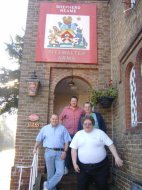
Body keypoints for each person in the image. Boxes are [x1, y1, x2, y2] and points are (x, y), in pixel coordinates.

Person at [70, 115, 123, 190]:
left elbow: (110, 145)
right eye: (85, 124)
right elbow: (73, 150)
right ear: (82, 125)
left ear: (93, 124)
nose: (87, 126)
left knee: (102, 186)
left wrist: (117, 157)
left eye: (89, 124)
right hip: (82, 168)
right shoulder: (78, 134)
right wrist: (74, 164)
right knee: (81, 187)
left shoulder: (100, 133)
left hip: (100, 167)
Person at [33, 114, 71, 190]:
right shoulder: (45, 128)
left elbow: (67, 142)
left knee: (60, 172)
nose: (54, 120)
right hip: (48, 152)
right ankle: (51, 188)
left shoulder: (63, 128)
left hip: (60, 153)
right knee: (50, 173)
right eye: (53, 119)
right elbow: (39, 139)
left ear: (58, 120)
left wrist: (65, 151)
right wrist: (35, 148)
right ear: (50, 119)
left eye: (56, 119)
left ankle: (47, 186)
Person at [59, 96, 84, 174]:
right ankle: (66, 167)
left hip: (77, 134)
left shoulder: (81, 110)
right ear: (70, 102)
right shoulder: (66, 109)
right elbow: (60, 118)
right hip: (67, 134)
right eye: (72, 101)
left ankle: (76, 167)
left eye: (75, 101)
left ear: (77, 102)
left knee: (77, 150)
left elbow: (85, 118)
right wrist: (61, 129)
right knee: (66, 150)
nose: (74, 102)